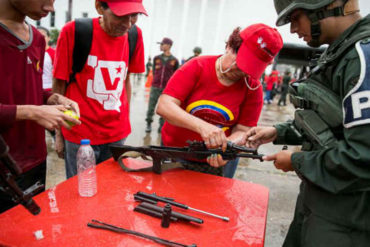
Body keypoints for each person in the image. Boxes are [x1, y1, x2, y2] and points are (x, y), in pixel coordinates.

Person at [246, 0, 370, 246]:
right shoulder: (338, 54)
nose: (293, 30)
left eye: (296, 17)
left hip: (347, 218)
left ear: (328, 6)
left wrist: (296, 161)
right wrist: (277, 131)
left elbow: (363, 157)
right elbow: (331, 125)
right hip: (319, 200)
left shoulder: (362, 59)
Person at [156, 24, 283, 177]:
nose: (243, 71)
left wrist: (227, 148)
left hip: (216, 161)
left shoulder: (253, 87)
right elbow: (164, 105)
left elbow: (243, 130)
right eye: (241, 62)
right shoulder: (197, 66)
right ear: (229, 46)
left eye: (251, 68)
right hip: (176, 151)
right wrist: (203, 127)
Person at [0, 0, 80, 213]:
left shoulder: (36, 38)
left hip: (34, 159)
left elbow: (28, 90)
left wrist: (52, 98)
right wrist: (32, 112)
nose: (51, 8)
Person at [53, 0, 147, 178]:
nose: (128, 24)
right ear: (99, 7)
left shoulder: (135, 35)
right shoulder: (74, 32)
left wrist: (124, 120)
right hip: (81, 133)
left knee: (109, 191)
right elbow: (59, 84)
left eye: (134, 16)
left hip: (116, 135)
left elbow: (125, 79)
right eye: (120, 15)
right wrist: (58, 133)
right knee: (81, 189)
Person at [145, 37, 179, 133]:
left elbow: (176, 75)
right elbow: (155, 72)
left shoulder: (174, 61)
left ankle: (162, 126)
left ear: (168, 46)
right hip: (155, 86)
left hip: (167, 89)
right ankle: (148, 123)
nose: (160, 46)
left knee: (164, 108)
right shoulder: (156, 58)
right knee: (151, 106)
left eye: (162, 44)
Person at [37, 26, 55, 91]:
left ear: (49, 38)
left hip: (49, 89)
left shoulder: (54, 53)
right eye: (37, 36)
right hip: (35, 89)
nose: (40, 38)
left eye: (43, 36)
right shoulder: (30, 52)